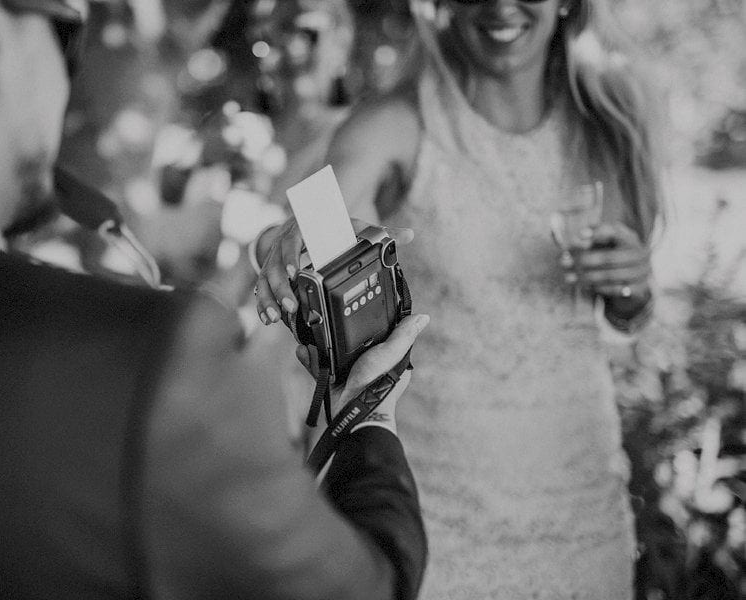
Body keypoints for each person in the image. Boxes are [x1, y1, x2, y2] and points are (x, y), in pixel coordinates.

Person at [0, 1, 430, 598]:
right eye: (70, 41)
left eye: (305, 32)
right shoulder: (156, 364)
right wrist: (368, 413)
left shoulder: (360, 134)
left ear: (343, 40)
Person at [254, 0, 664, 597]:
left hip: (582, 505)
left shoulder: (608, 119)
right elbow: (322, 209)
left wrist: (633, 285)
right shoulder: (399, 120)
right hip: (439, 513)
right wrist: (286, 237)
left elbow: (630, 313)